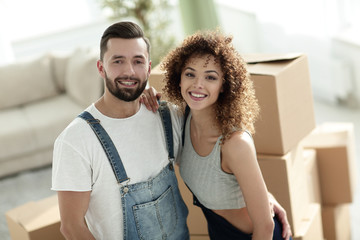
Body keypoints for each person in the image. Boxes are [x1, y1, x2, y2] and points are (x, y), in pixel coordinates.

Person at [143, 30, 293, 240]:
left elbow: (265, 226)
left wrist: (261, 201)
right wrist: (144, 90)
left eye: (210, 77)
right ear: (179, 78)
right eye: (190, 74)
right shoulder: (182, 120)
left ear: (224, 85)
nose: (198, 84)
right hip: (218, 232)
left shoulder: (235, 144)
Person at [51, 21, 189, 240]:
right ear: (100, 67)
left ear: (149, 68)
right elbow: (72, 227)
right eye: (118, 61)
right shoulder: (75, 140)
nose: (129, 71)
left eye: (138, 61)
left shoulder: (167, 115)